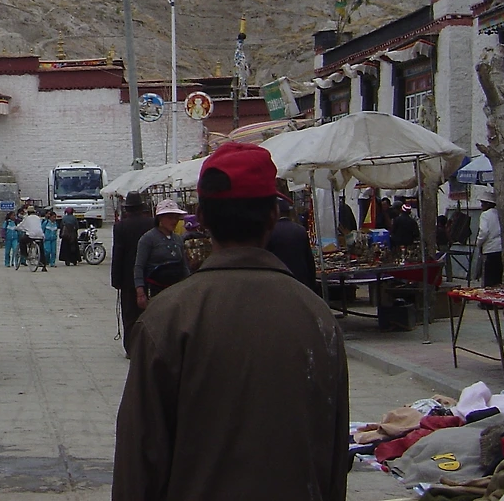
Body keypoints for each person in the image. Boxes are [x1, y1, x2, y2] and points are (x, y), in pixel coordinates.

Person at [113, 142, 349, 500]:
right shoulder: (318, 319)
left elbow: (139, 464)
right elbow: (333, 457)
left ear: (202, 218)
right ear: (273, 216)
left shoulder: (167, 319)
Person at [111, 191, 157, 353]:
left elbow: (118, 253)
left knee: (129, 313)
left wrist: (116, 280)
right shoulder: (152, 223)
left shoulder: (120, 226)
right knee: (148, 312)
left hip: (127, 276)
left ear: (128, 209)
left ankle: (131, 347)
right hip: (150, 275)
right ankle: (147, 346)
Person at [133, 199, 191, 309]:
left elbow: (184, 265)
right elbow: (139, 266)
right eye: (170, 218)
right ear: (160, 218)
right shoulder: (148, 239)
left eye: (176, 218)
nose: (174, 221)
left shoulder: (178, 239)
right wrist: (140, 292)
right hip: (157, 291)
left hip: (177, 291)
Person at [266, 198, 319, 293]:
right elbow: (309, 260)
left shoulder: (270, 232)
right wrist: (312, 284)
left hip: (280, 281)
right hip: (301, 282)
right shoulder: (300, 230)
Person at [477, 196, 503, 287]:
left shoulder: (485, 215)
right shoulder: (498, 214)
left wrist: (479, 243)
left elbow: (484, 231)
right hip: (499, 248)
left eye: (483, 203)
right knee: (497, 277)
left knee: (489, 277)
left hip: (489, 248)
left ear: (488, 204)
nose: (481, 205)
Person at [17, 206, 48, 271]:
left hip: (31, 235)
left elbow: (22, 225)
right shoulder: (38, 218)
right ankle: (43, 265)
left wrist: (16, 228)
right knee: (41, 249)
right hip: (40, 235)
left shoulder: (27, 218)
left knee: (22, 241)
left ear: (28, 212)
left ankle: (25, 254)